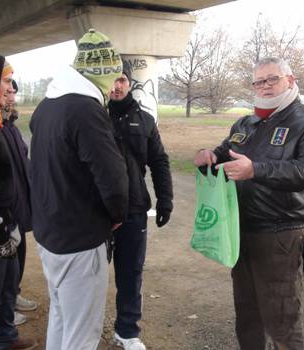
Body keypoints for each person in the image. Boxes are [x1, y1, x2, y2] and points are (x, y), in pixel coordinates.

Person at [194, 57, 304, 350]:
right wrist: (208, 156)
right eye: (259, 81)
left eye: (272, 79)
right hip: (241, 231)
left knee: (282, 319)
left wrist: (257, 169)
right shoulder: (247, 121)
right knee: (247, 315)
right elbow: (225, 153)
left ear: (290, 81)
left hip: (281, 235)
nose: (265, 86)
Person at [29, 29, 129, 350]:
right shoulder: (86, 110)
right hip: (80, 239)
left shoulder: (48, 105)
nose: (116, 84)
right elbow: (113, 179)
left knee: (61, 317)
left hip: (51, 234)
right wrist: (116, 215)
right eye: (114, 75)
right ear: (100, 72)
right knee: (82, 334)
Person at [107, 65, 173, 350]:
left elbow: (159, 162)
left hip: (134, 211)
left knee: (130, 273)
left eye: (121, 79)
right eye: (111, 80)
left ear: (129, 83)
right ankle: (81, 328)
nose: (116, 86)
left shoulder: (145, 120)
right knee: (90, 277)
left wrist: (165, 200)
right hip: (97, 214)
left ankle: (127, 331)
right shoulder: (92, 117)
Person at [0, 49, 37, 350]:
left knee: (8, 281)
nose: (11, 88)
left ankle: (6, 338)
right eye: (5, 81)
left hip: (8, 217)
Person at [0, 80, 37, 327]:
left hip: (20, 202)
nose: (13, 97)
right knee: (4, 260)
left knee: (20, 251)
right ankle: (3, 308)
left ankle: (13, 294)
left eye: (14, 91)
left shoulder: (11, 128)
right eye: (8, 91)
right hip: (4, 207)